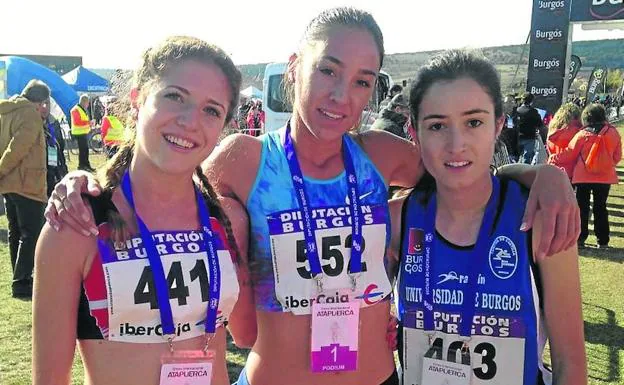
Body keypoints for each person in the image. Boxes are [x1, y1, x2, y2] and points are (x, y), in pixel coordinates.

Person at [45, 8, 579, 385]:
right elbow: (168, 176)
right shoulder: (243, 159)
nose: (341, 95)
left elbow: (461, 168)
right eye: (328, 70)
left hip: (375, 378)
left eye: (363, 81)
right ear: (296, 64)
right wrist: (88, 183)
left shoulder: (383, 156)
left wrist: (542, 175)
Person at [32, 36, 255, 385]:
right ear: (137, 99)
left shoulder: (225, 220)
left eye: (211, 110)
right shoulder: (77, 223)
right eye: (175, 96)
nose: (189, 120)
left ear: (224, 126)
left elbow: (248, 334)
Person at [389, 50, 586, 385]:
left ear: (498, 125)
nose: (456, 144)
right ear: (414, 132)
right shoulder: (398, 219)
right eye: (437, 125)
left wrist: (547, 175)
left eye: (474, 122)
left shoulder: (539, 218)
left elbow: (570, 364)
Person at [0, 79, 50, 299]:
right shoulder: (29, 114)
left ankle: (18, 276)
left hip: (10, 183)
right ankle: (22, 281)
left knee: (16, 232)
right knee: (32, 233)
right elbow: (18, 148)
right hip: (27, 182)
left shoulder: (7, 111)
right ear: (39, 102)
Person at [549, 103, 622, 249]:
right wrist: (607, 164)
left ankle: (580, 239)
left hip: (582, 177)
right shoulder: (613, 133)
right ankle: (603, 241)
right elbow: (617, 155)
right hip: (605, 177)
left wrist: (554, 158)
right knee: (600, 207)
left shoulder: (582, 134)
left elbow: (570, 154)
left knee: (582, 208)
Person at [546, 103, 582, 180]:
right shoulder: (575, 131)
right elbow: (573, 152)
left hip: (553, 167)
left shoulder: (552, 129)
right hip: (570, 171)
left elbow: (549, 149)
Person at [44, 108, 68, 197]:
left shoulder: (51, 120)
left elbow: (56, 140)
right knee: (53, 171)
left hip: (52, 150)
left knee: (52, 172)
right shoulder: (51, 119)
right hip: (52, 150)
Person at [513, 93, 544, 164]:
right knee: (526, 159)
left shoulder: (517, 110)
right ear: (531, 101)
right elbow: (539, 124)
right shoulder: (533, 112)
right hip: (529, 138)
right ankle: (524, 173)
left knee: (516, 158)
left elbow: (514, 123)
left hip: (517, 137)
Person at [71, 94, 95, 171]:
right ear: (84, 102)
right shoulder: (75, 109)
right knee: (83, 151)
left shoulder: (82, 109)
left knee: (85, 150)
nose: (88, 105)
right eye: (87, 103)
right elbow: (77, 122)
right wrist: (89, 123)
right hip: (79, 133)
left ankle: (86, 165)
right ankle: (82, 166)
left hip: (83, 132)